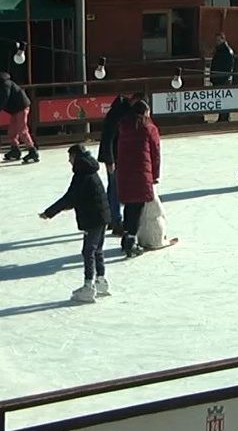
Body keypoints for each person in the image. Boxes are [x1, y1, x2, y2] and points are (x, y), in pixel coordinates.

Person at [40, 144, 111, 303]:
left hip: (92, 218)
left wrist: (49, 212)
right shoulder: (90, 170)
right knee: (97, 250)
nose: (69, 161)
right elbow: (81, 196)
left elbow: (70, 196)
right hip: (102, 215)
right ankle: (101, 281)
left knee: (88, 251)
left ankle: (88, 286)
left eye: (70, 157)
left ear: (77, 157)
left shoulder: (81, 174)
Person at [115, 100, 160, 258]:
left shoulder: (123, 127)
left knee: (129, 206)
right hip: (142, 173)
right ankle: (131, 241)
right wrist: (155, 175)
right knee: (138, 208)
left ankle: (126, 237)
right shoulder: (149, 128)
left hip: (125, 172)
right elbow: (155, 152)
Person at [97, 95, 133, 236]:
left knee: (114, 187)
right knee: (115, 188)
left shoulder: (117, 113)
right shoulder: (118, 116)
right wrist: (110, 160)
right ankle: (115, 220)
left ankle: (112, 218)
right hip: (114, 157)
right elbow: (108, 138)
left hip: (116, 157)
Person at [0, 71, 38, 163]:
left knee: (22, 130)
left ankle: (32, 151)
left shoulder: (5, 85)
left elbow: (1, 102)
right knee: (12, 132)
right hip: (15, 109)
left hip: (21, 107)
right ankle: (15, 150)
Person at [210, 33, 236, 122]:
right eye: (216, 40)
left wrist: (223, 77)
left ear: (223, 40)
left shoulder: (227, 51)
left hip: (223, 79)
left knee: (224, 100)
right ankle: (222, 117)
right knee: (220, 100)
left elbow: (228, 67)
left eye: (218, 40)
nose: (216, 42)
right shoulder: (219, 50)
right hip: (218, 78)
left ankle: (225, 118)